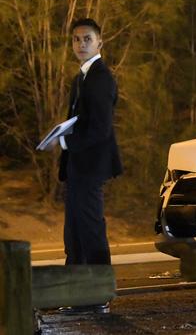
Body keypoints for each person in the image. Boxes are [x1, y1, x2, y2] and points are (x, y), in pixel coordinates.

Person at [57, 18, 122, 313]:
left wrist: (68, 143)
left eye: (87, 39)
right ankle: (76, 296)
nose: (81, 44)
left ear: (99, 43)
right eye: (76, 39)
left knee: (91, 230)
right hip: (77, 168)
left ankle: (97, 295)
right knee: (74, 233)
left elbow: (100, 129)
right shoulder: (81, 78)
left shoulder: (101, 77)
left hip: (90, 167)